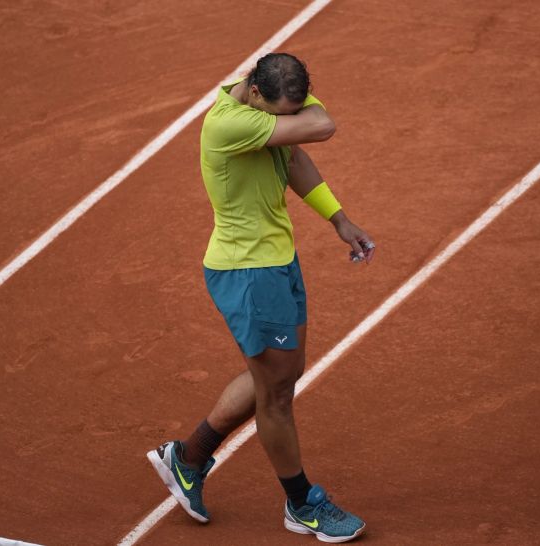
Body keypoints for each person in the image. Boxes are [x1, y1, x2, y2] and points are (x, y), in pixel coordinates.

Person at [148, 52, 374, 543]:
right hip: (246, 271)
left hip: (277, 261)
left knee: (282, 374)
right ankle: (301, 503)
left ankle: (186, 458)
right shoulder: (228, 125)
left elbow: (293, 156)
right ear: (254, 93)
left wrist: (338, 218)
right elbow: (324, 125)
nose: (284, 122)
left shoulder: (259, 94)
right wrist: (302, 115)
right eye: (278, 114)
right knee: (277, 393)